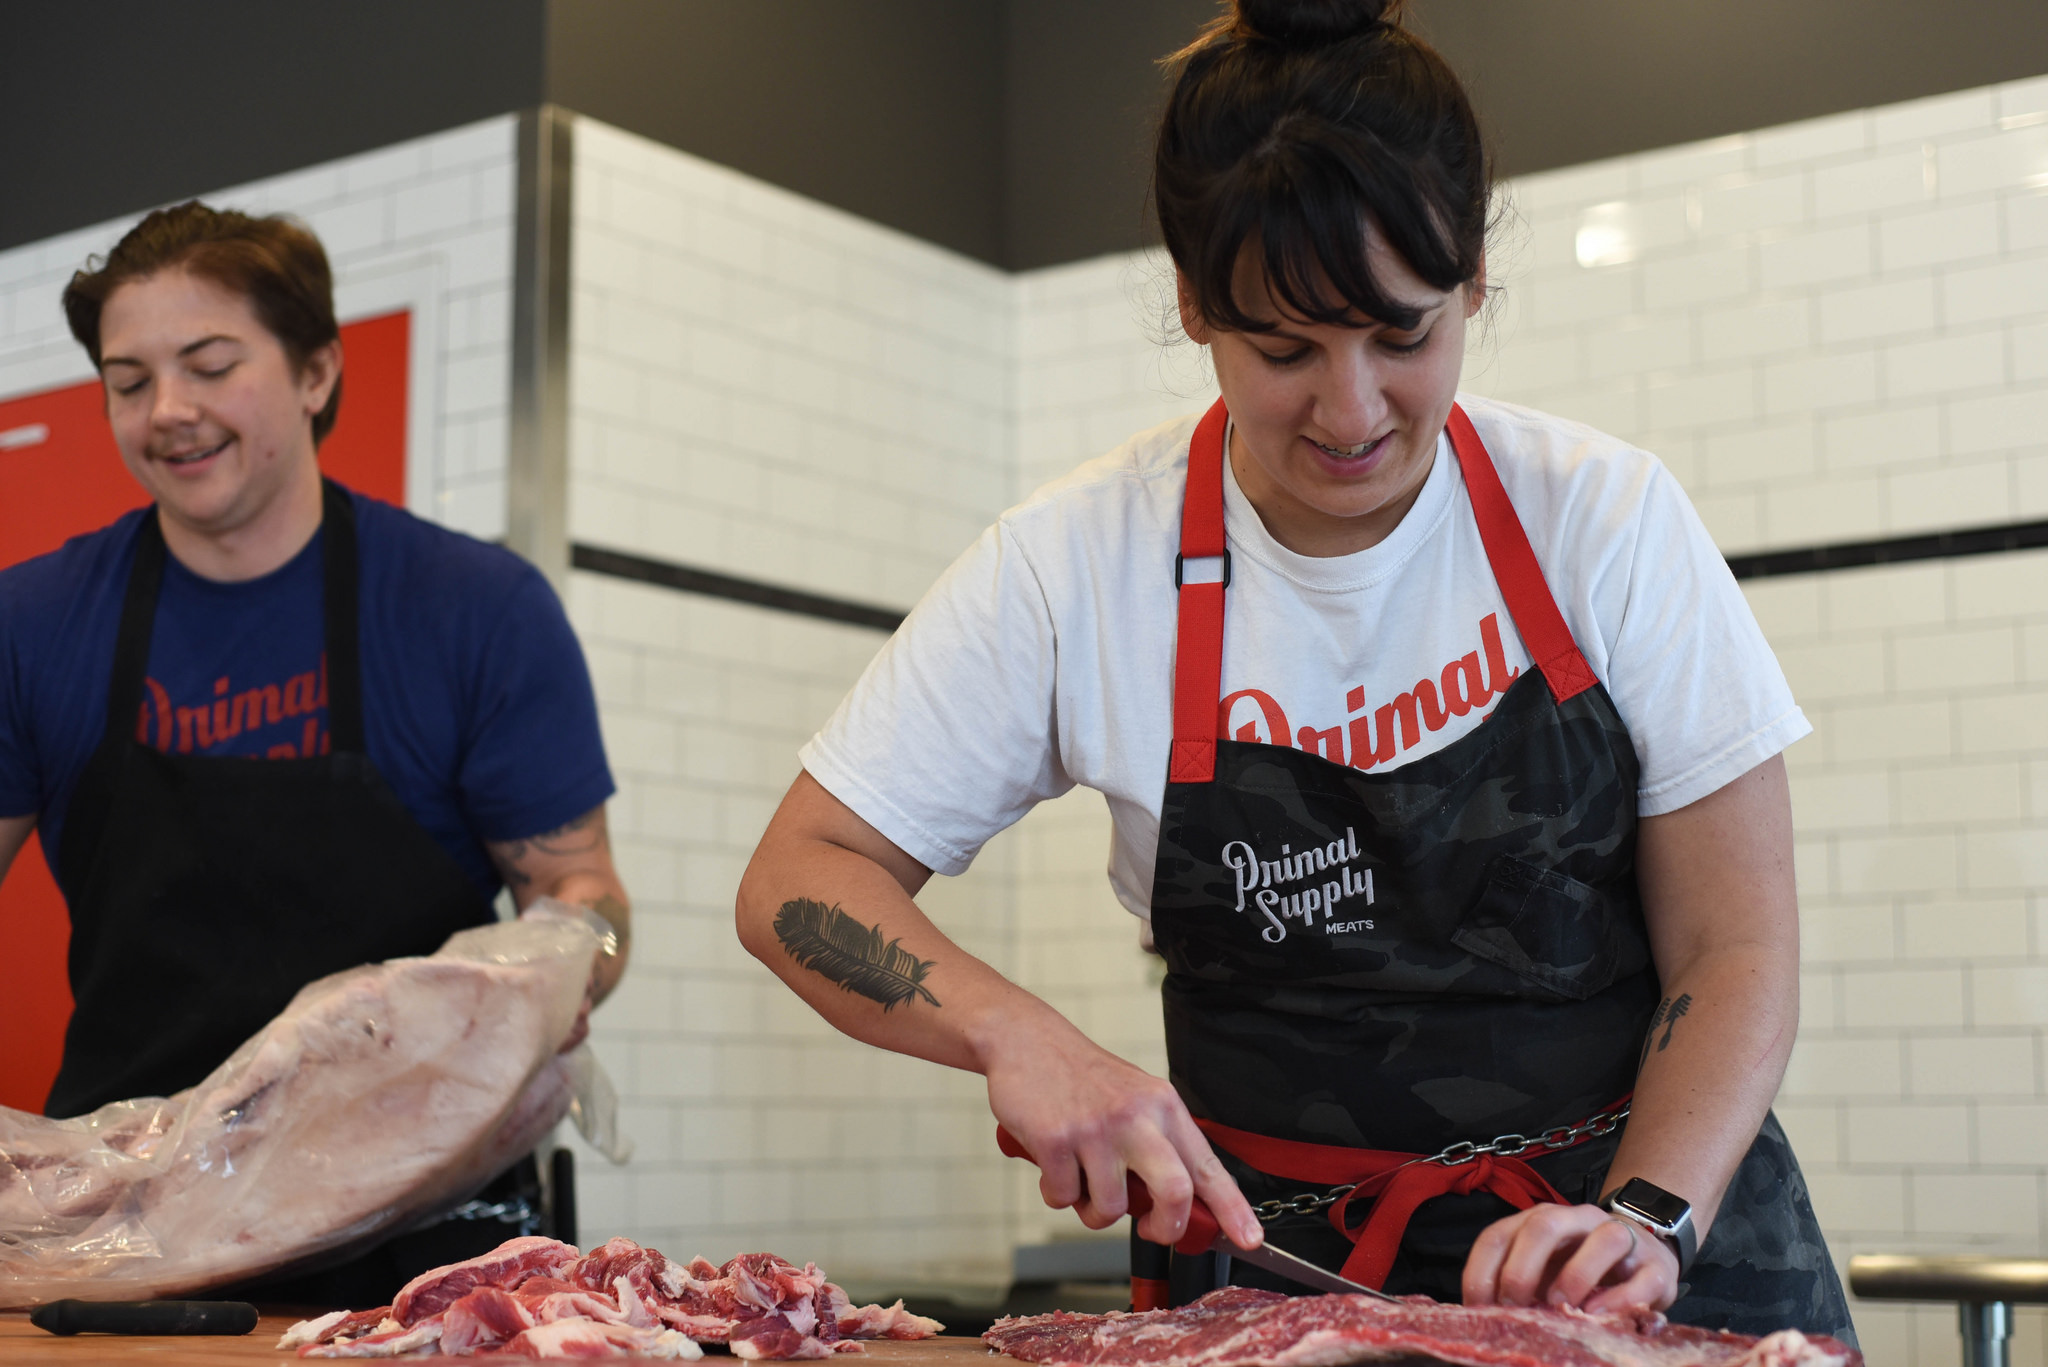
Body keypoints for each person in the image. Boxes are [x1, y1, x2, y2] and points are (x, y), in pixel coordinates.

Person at [737, 0, 1852, 1342]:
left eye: (1405, 335)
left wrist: (1647, 1215)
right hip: (1290, 1293)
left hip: (1638, 1254)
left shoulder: (1601, 520)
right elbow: (801, 873)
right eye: (1285, 349)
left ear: (1474, 281)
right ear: (1195, 300)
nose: (1352, 408)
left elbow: (1734, 946)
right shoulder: (1076, 563)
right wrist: (1013, 1029)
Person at [0, 202, 628, 1300]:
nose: (169, 411)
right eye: (129, 378)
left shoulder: (472, 608)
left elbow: (579, 887)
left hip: (432, 1241)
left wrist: (564, 959)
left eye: (209, 364)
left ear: (316, 372)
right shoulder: (33, 619)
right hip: (137, 1238)